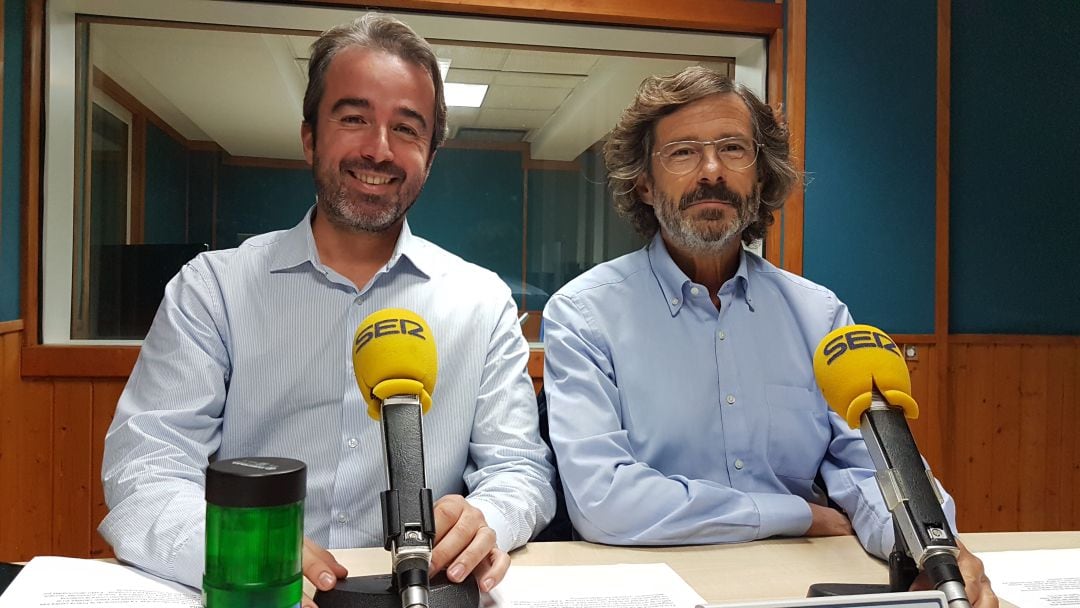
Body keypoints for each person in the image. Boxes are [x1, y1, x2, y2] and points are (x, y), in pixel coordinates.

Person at [100, 13, 555, 605]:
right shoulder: (212, 289)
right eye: (354, 118)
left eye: (407, 128)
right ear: (310, 137)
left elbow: (519, 468)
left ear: (430, 156)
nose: (379, 149)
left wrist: (484, 517)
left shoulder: (483, 301)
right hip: (255, 591)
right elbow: (146, 470)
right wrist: (238, 548)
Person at [541, 66, 995, 606]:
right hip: (650, 585)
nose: (712, 171)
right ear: (644, 180)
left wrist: (928, 547)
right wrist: (797, 516)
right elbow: (604, 500)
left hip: (795, 586)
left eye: (733, 148)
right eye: (683, 153)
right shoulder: (584, 314)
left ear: (759, 174)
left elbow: (870, 469)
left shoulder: (819, 315)